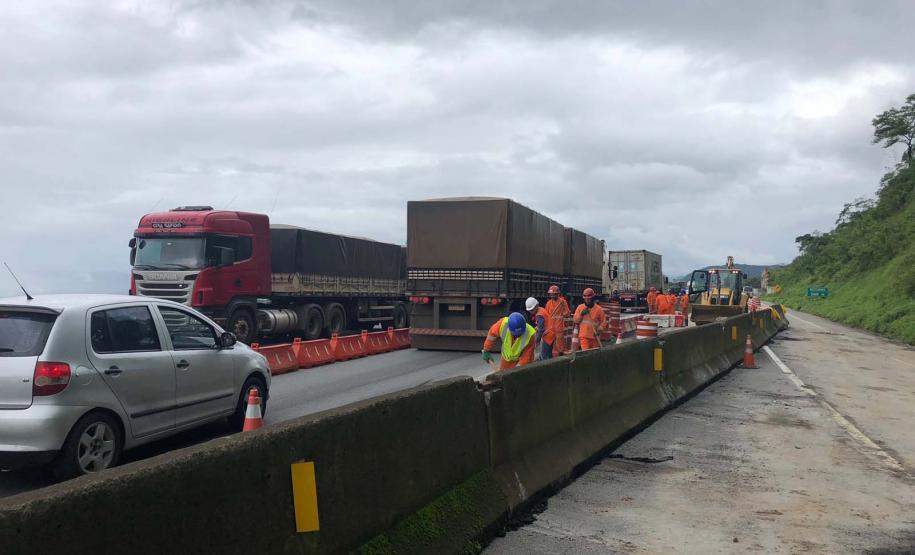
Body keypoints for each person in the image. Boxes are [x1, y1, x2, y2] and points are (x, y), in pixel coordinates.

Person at [541, 285, 570, 360]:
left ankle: (560, 358)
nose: (552, 296)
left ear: (557, 294)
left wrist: (564, 313)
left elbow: (567, 313)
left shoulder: (562, 302)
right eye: (551, 294)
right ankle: (551, 359)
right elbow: (546, 315)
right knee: (549, 346)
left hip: (559, 327)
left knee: (560, 347)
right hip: (550, 328)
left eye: (554, 294)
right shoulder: (548, 303)